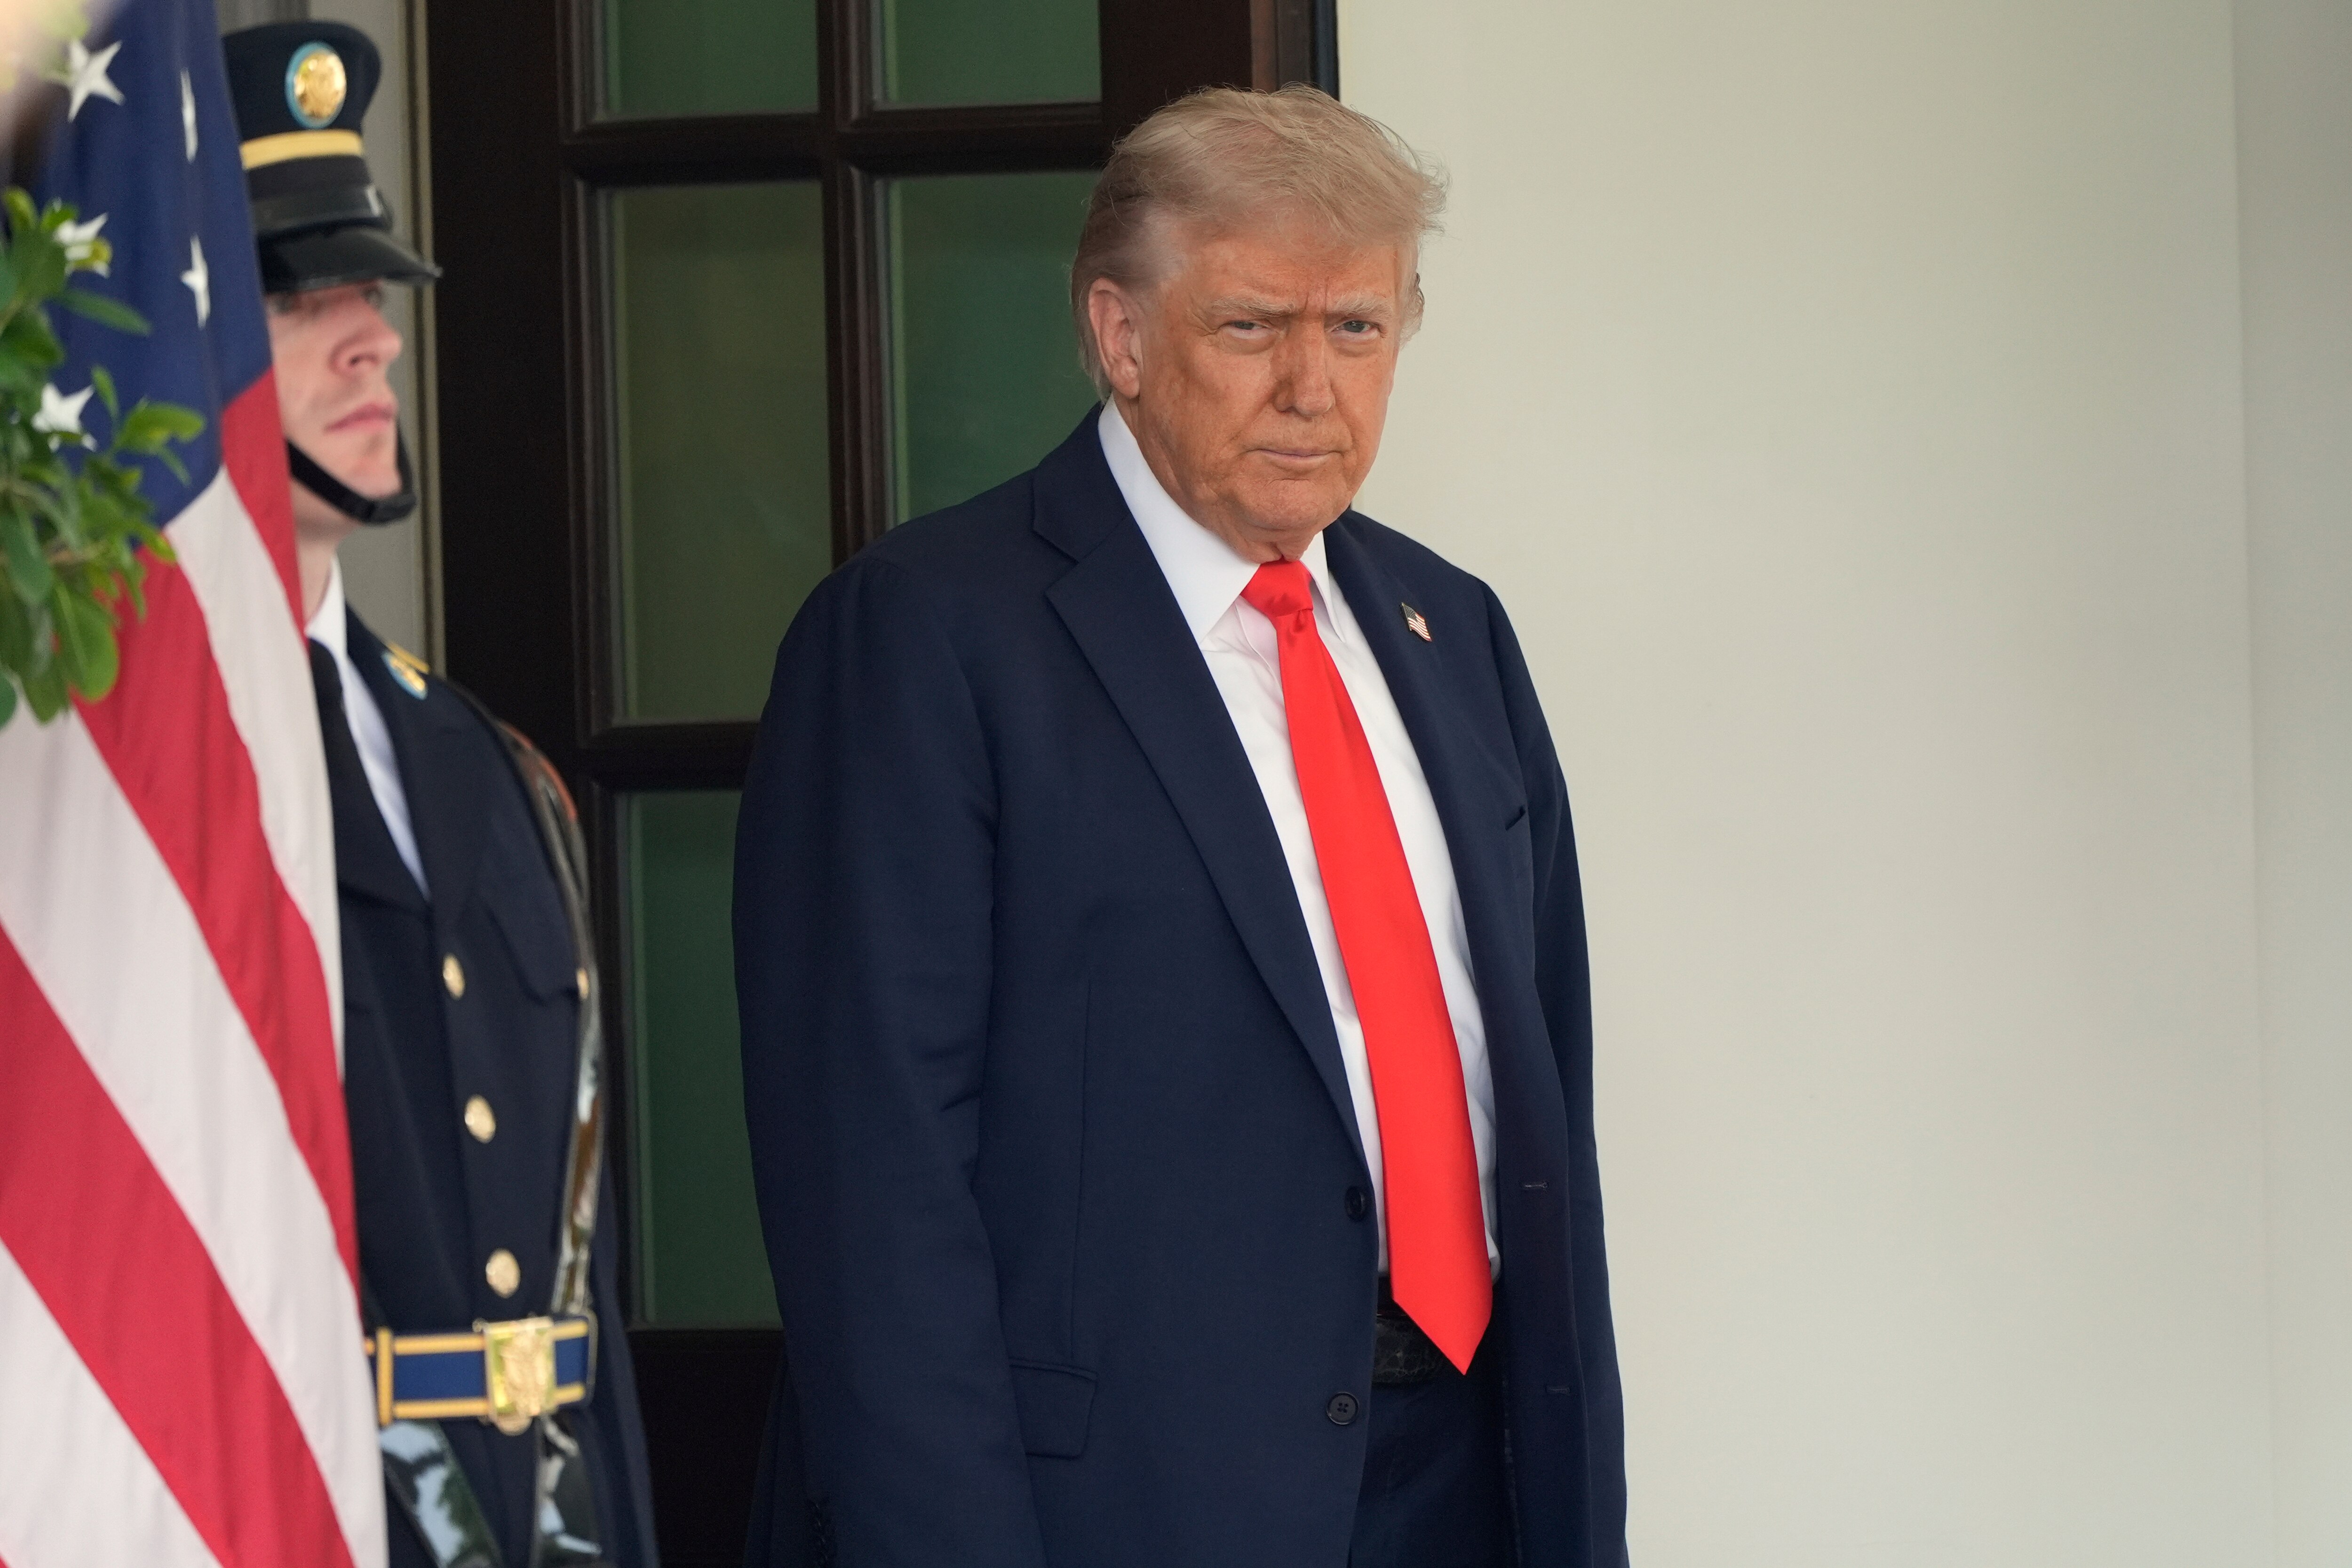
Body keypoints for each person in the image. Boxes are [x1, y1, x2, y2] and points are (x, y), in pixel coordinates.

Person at [735, 85, 1626, 1567]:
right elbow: (873, 1195)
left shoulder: (1453, 632)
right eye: (1251, 326)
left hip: (1466, 1483)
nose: (1312, 386)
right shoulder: (925, 637)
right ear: (1121, 336)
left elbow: (1544, 1104)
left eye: (1357, 327)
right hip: (1119, 1508)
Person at [222, 23, 658, 1568]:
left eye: (372, 298)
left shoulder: (486, 762)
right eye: (297, 299)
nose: (374, 343)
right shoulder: (110, 784)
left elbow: (572, 1280)